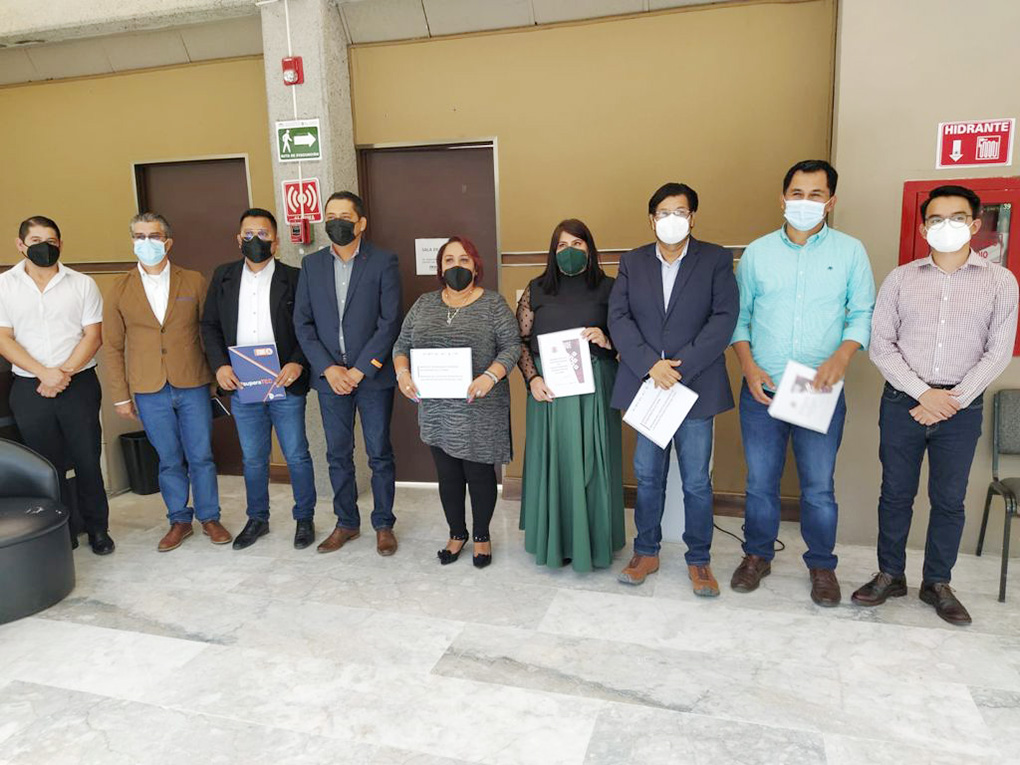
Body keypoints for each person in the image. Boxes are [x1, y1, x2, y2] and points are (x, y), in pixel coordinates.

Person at [854, 185, 1019, 626]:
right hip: (902, 402)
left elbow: (998, 352)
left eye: (957, 218)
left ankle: (938, 583)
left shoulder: (1000, 282)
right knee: (895, 494)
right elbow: (881, 346)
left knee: (949, 500)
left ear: (975, 224)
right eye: (936, 219)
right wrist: (922, 393)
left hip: (961, 410)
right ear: (924, 227)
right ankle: (890, 574)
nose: (947, 226)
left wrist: (952, 400)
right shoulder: (901, 278)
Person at [731, 159, 875, 606]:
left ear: (831, 202)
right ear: (783, 198)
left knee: (818, 487)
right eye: (797, 193)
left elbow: (862, 313)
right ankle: (757, 555)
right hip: (763, 388)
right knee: (760, 483)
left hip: (819, 390)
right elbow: (739, 318)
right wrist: (748, 367)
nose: (805, 202)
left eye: (816, 195)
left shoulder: (850, 252)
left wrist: (842, 356)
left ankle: (822, 566)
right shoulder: (757, 253)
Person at [608, 183, 739, 594]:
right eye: (663, 213)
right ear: (652, 220)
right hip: (648, 386)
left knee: (697, 480)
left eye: (680, 212)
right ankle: (646, 552)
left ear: (692, 217)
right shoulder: (632, 262)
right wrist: (651, 365)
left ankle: (699, 559)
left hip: (693, 388)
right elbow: (619, 317)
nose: (671, 220)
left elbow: (724, 318)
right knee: (647, 476)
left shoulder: (715, 259)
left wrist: (679, 369)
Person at [103, 212, 232, 551]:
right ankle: (179, 519)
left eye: (154, 236)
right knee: (169, 458)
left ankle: (210, 517)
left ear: (168, 242)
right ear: (133, 242)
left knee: (201, 455)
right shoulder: (119, 289)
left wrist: (215, 378)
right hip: (149, 388)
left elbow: (209, 332)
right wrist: (120, 395)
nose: (146, 242)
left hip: (193, 382)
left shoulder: (193, 281)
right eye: (139, 236)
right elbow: (113, 347)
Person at [393, 237, 520, 568]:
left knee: (478, 475)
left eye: (464, 259)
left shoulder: (493, 304)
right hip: (437, 409)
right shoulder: (424, 304)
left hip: (480, 406)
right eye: (449, 260)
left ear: (476, 266)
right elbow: (401, 345)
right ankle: (456, 533)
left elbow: (512, 346)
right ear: (440, 268)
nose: (456, 266)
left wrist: (490, 376)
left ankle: (481, 536)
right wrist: (403, 374)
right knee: (448, 475)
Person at [200, 208, 316, 551]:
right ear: (238, 240)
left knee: (296, 454)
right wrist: (220, 366)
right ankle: (257, 519)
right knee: (253, 457)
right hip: (243, 382)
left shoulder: (295, 278)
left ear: (276, 242)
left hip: (284, 380)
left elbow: (308, 326)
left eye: (263, 234)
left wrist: (297, 363)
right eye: (248, 234)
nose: (255, 240)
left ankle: (304, 518)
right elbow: (209, 326)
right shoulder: (223, 276)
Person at [293, 191, 402, 556]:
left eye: (344, 216)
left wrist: (359, 370)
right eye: (330, 217)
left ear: (361, 223)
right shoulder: (312, 265)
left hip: (372, 378)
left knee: (379, 452)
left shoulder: (383, 261)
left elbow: (390, 322)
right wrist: (328, 368)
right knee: (338, 454)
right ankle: (346, 523)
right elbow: (303, 323)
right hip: (330, 379)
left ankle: (383, 524)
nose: (336, 223)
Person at [0, 216, 113, 555]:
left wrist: (62, 373)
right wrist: (42, 373)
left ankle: (98, 529)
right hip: (29, 387)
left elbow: (93, 336)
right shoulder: (4, 285)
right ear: (21, 245)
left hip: (78, 384)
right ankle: (61, 530)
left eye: (50, 240)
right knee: (47, 466)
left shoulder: (82, 284)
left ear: (60, 244)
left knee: (87, 459)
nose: (44, 247)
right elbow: (4, 339)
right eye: (36, 240)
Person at [517, 219, 624, 571]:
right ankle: (556, 541)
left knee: (593, 462)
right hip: (548, 389)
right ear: (553, 251)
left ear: (590, 248)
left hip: (594, 388)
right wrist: (532, 379)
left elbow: (630, 338)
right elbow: (520, 341)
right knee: (555, 462)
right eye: (562, 245)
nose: (570, 251)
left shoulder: (611, 288)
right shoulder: (536, 289)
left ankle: (594, 541)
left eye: (577, 244)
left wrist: (607, 340)